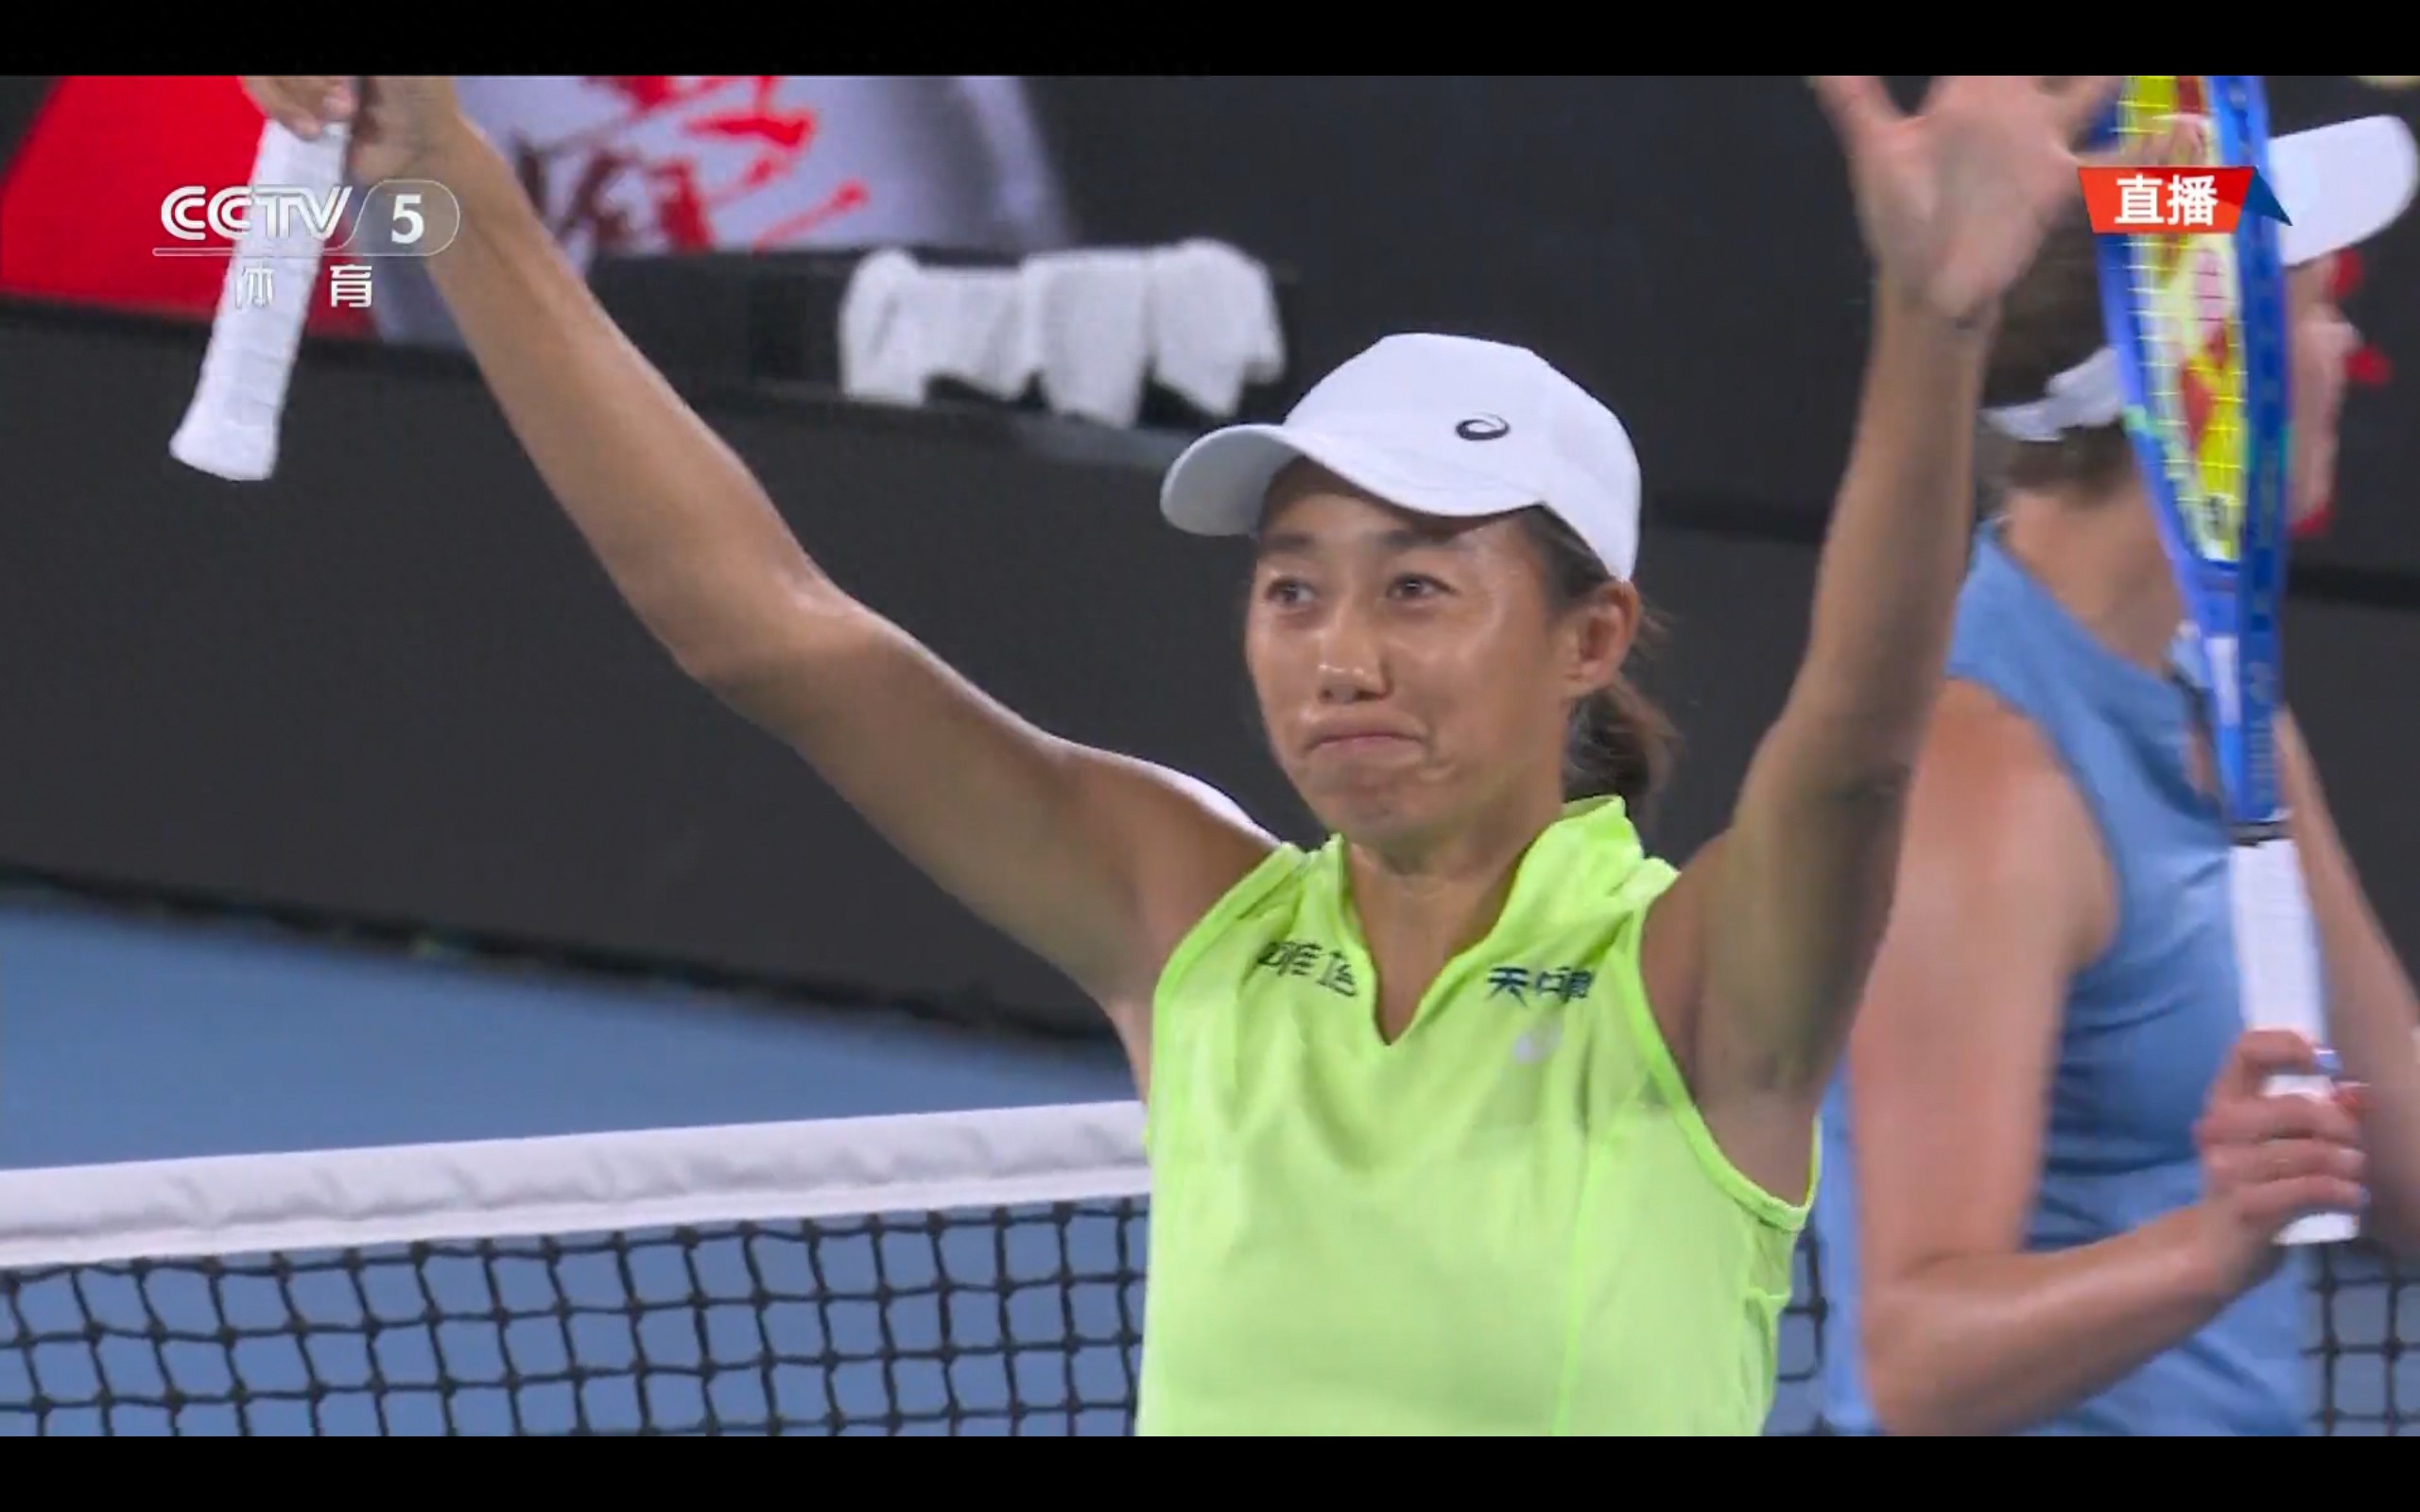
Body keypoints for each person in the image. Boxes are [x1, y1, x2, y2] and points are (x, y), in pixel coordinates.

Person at [242, 73, 2111, 1435]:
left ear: (1589, 636)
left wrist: (1928, 324)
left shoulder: (1699, 986)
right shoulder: (1186, 914)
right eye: (1292, 588)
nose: (1340, 655)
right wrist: (447, 189)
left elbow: (1853, 747)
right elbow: (767, 629)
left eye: (1418, 586)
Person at [1813, 110, 2420, 1436]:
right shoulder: (1984, 780)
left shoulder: (2228, 696)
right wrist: (2213, 1245)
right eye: (2312, 310)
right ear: (2216, 369)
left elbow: (2401, 1160)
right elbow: (1913, 1362)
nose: (2347, 353)